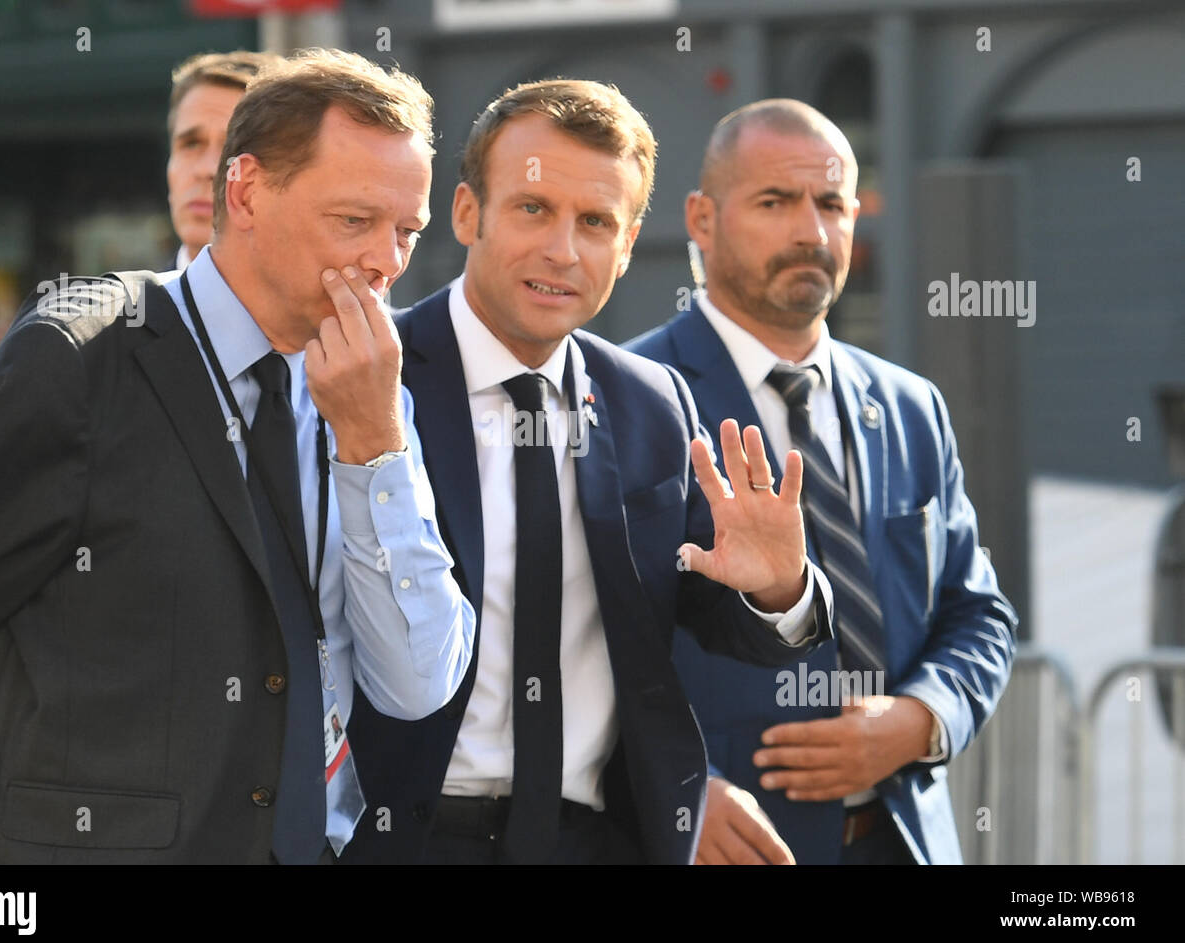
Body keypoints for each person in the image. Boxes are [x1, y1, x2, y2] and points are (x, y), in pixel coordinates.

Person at [0, 49, 474, 864]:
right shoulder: (83, 354)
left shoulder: (372, 391)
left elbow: (418, 685)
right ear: (246, 191)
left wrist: (374, 447)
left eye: (406, 231)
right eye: (354, 221)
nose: (386, 260)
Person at [342, 80, 835, 866]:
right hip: (393, 837)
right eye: (534, 208)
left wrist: (777, 586)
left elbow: (724, 611)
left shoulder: (651, 403)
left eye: (596, 222)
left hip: (597, 842)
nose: (563, 250)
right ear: (467, 213)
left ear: (630, 243)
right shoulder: (366, 373)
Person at [627, 99, 1016, 864]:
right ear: (701, 219)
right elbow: (576, 641)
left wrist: (917, 719)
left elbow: (978, 613)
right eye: (775, 202)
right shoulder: (629, 396)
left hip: (904, 839)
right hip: (724, 846)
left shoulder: (910, 406)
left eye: (832, 203)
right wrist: (669, 788)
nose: (811, 231)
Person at [164, 50, 285, 271]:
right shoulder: (123, 304)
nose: (207, 170)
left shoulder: (338, 304)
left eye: (233, 149)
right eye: (191, 144)